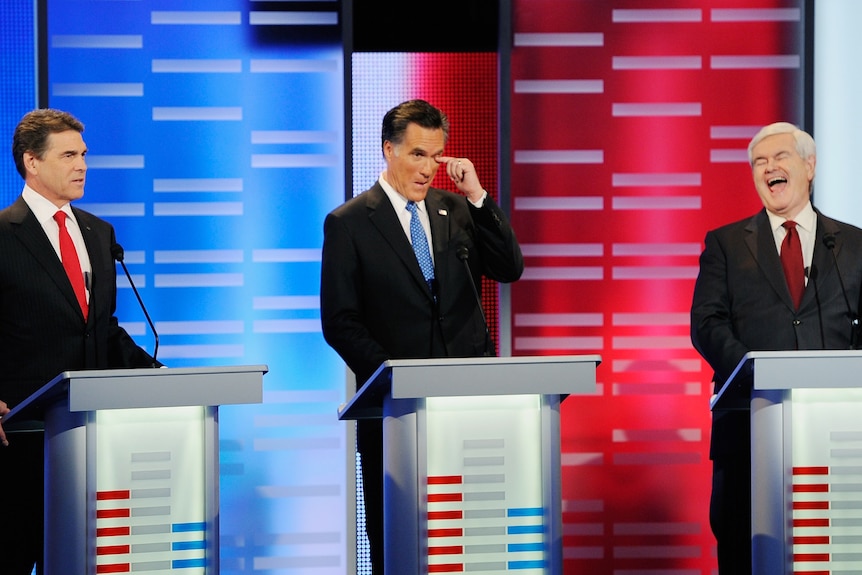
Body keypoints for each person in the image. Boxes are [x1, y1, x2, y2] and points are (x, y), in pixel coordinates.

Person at [320, 99, 524, 573]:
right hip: (397, 416)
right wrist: (397, 380)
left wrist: (477, 196)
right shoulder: (348, 223)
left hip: (467, 410)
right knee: (399, 548)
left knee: (471, 547)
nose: (429, 168)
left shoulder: (456, 209)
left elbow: (508, 268)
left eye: (436, 156)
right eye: (417, 155)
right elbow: (340, 321)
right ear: (388, 150)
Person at [690, 122, 862, 574]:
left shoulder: (854, 245)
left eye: (780, 157)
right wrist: (755, 371)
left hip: (839, 433)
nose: (769, 168)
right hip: (747, 427)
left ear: (810, 166)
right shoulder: (726, 244)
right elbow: (706, 324)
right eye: (759, 163)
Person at [0, 108, 160, 575]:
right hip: (21, 439)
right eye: (68, 155)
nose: (82, 165)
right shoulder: (3, 236)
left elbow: (101, 329)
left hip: (92, 437)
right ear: (32, 162)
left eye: (84, 154)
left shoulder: (97, 232)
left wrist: (162, 380)